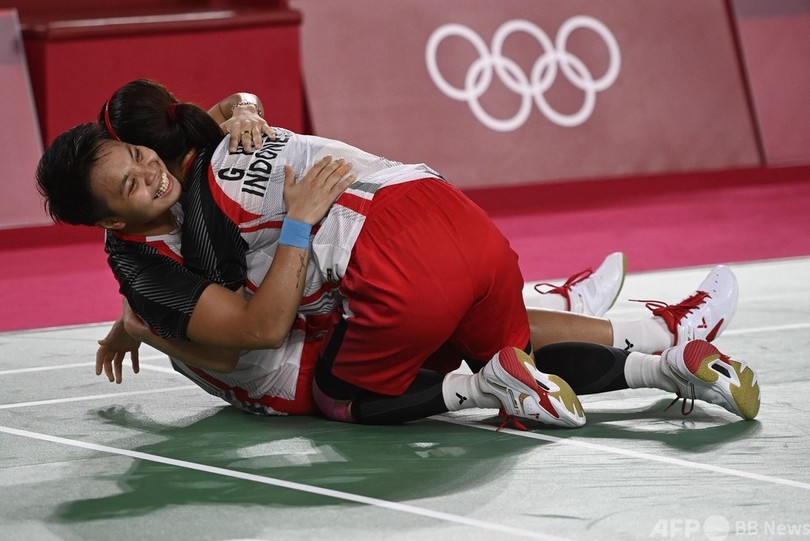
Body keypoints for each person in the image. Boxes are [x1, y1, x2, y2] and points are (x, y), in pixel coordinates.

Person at [36, 80, 760, 426]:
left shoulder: (194, 206)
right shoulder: (212, 146)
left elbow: (254, 332)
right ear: (110, 218)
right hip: (444, 204)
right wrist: (133, 322)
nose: (148, 173)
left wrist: (143, 325)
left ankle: (490, 385)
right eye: (129, 182)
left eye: (139, 157)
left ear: (151, 143)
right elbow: (228, 108)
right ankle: (666, 358)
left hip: (363, 286)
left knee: (350, 394)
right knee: (488, 335)